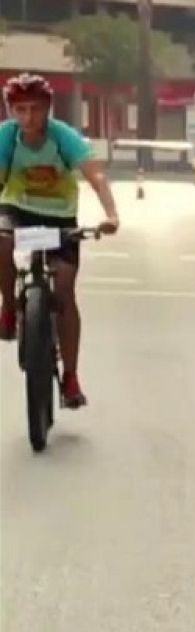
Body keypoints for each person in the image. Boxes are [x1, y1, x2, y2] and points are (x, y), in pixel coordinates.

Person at [0, 73, 120, 409]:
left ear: (48, 109)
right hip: (17, 210)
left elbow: (94, 174)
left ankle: (70, 377)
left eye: (35, 109)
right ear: (10, 110)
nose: (28, 117)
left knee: (65, 289)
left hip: (59, 217)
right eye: (20, 109)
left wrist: (111, 215)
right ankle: (8, 308)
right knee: (2, 240)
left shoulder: (63, 137)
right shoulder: (6, 138)